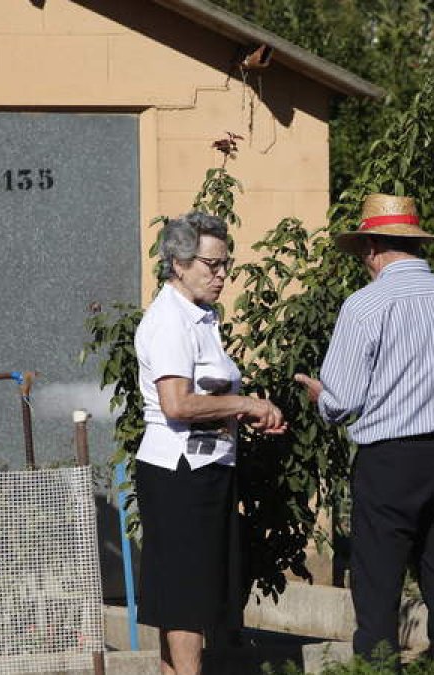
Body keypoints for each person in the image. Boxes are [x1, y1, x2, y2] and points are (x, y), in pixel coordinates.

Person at [295, 193, 434, 671]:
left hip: (389, 462)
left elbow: (341, 401)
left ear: (371, 248)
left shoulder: (366, 306)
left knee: (377, 593)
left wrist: (319, 397)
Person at [133, 211, 287, 675]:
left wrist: (240, 413)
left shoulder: (199, 318)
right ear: (178, 263)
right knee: (185, 599)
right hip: (180, 473)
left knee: (190, 597)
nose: (221, 274)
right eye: (210, 264)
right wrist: (246, 405)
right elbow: (177, 404)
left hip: (204, 468)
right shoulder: (169, 321)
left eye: (226, 264)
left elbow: (207, 397)